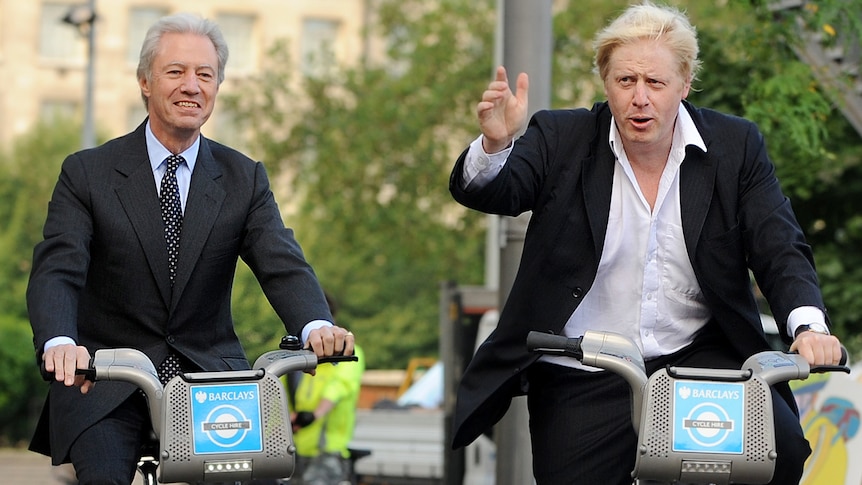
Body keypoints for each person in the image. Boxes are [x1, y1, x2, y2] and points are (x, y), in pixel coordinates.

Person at [448, 2, 844, 484]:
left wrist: (809, 325)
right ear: (605, 82)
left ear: (684, 83)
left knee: (778, 453)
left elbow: (778, 243)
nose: (640, 98)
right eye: (625, 81)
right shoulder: (561, 136)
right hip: (586, 368)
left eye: (655, 83)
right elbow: (497, 192)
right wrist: (494, 146)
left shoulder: (735, 146)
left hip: (699, 364)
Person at [26, 12, 354, 485]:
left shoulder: (244, 177)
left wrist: (316, 324)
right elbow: (59, 268)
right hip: (105, 379)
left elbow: (280, 261)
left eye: (205, 74)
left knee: (251, 476)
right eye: (175, 71)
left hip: (210, 382)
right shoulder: (88, 173)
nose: (192, 86)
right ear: (145, 81)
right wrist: (59, 342)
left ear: (218, 86)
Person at [288, 293, 365, 485]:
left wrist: (314, 414)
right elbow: (278, 393)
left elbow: (339, 387)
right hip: (294, 449)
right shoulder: (297, 356)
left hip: (328, 450)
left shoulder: (347, 353)